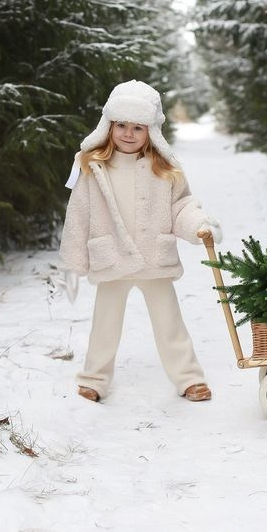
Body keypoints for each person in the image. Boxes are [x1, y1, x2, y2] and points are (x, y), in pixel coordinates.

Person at [59, 79, 221, 403]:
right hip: (111, 258)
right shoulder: (92, 167)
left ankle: (188, 378)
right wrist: (74, 261)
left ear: (152, 131)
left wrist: (199, 226)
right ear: (109, 125)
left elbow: (181, 207)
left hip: (153, 259)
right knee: (104, 325)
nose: (128, 134)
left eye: (138, 127)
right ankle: (94, 379)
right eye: (121, 125)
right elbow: (78, 214)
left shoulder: (165, 169)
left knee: (169, 323)